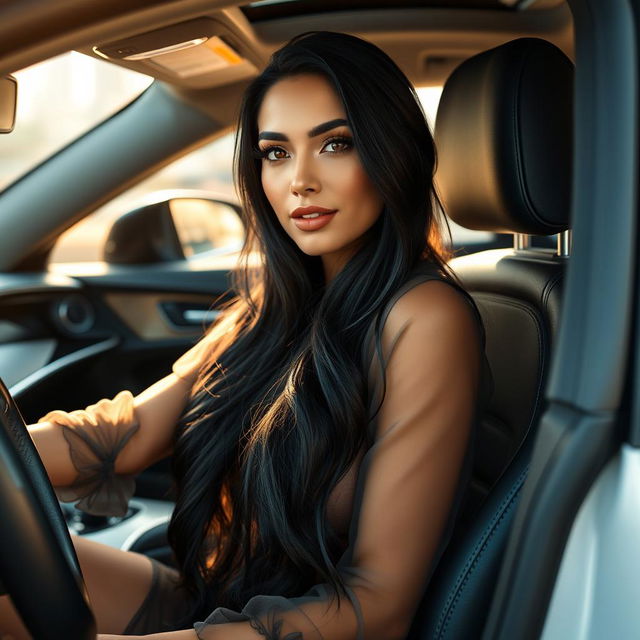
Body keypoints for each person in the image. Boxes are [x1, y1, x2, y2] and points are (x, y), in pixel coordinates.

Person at [0, 31, 491, 640]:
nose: (299, 182)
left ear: (394, 154)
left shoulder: (425, 317)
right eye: (275, 152)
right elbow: (118, 439)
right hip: (206, 597)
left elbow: (376, 606)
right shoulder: (278, 301)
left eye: (336, 144)